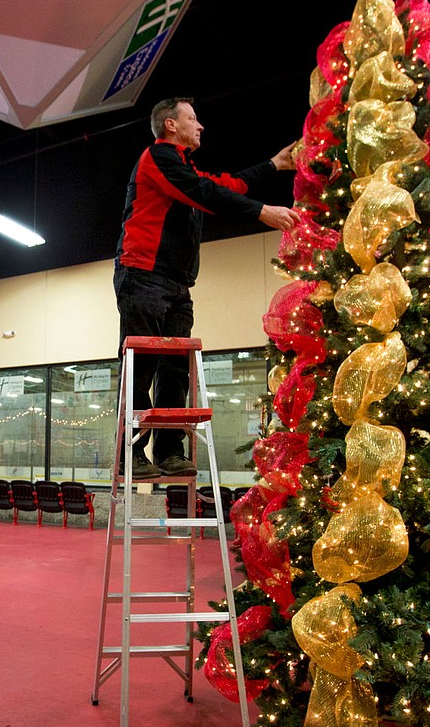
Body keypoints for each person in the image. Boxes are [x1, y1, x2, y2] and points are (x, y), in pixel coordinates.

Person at [114, 96, 299, 478]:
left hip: (177, 284)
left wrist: (274, 165)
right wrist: (261, 211)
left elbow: (224, 184)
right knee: (142, 364)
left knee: (175, 369)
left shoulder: (184, 170)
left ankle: (168, 450)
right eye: (192, 119)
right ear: (171, 125)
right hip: (144, 275)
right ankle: (130, 455)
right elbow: (208, 194)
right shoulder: (159, 158)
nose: (201, 126)